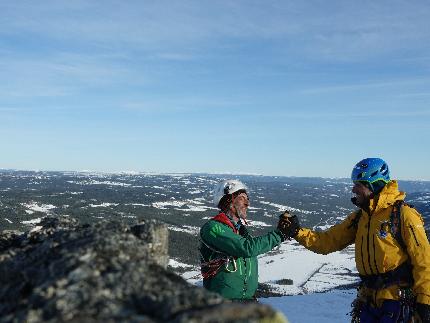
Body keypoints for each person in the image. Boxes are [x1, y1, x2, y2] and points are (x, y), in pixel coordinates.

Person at [278, 158, 430, 323]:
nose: (353, 189)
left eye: (359, 184)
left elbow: (423, 259)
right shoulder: (360, 218)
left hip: (396, 301)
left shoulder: (403, 215)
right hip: (369, 301)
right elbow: (328, 242)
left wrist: (425, 301)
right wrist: (297, 232)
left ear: (374, 184)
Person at [199, 179, 286, 301]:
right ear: (228, 200)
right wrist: (281, 234)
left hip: (247, 302)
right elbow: (246, 248)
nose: (247, 203)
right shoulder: (213, 227)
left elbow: (249, 248)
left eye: (247, 199)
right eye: (242, 198)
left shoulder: (241, 231)